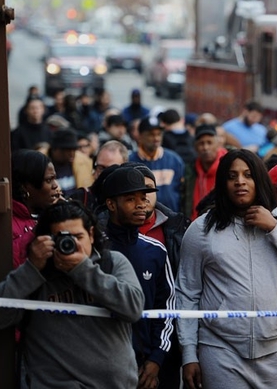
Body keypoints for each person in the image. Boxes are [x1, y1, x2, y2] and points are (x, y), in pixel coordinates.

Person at [176, 149, 277, 389]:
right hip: (220, 349)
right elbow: (187, 293)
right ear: (222, 183)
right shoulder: (201, 230)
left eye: (248, 175)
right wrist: (189, 353)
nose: (240, 181)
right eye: (232, 176)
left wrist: (274, 228)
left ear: (259, 179)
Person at [0, 201, 145, 388]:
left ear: (91, 235)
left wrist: (83, 270)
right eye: (61, 238)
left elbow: (133, 308)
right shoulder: (34, 276)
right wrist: (31, 269)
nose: (71, 244)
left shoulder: (111, 263)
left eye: (78, 237)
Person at [102, 166, 176, 389]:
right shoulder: (93, 251)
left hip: (145, 368)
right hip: (101, 367)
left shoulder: (156, 250)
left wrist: (156, 359)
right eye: (130, 199)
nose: (140, 204)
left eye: (143, 198)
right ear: (111, 204)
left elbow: (167, 307)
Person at [126, 163, 190, 389]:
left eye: (148, 191)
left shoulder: (176, 228)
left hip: (166, 344)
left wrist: (158, 357)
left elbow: (176, 293)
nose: (143, 199)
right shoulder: (101, 232)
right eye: (134, 193)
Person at [11, 150, 61, 268]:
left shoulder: (53, 211)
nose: (55, 186)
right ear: (26, 187)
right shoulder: (7, 223)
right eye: (49, 180)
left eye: (55, 179)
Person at [130, 116, 185, 212]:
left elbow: (183, 191)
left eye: (159, 134)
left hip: (172, 219)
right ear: (140, 136)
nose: (156, 138)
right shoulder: (131, 162)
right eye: (151, 134)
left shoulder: (174, 160)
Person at [69, 140, 129, 212]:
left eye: (111, 169)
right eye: (101, 168)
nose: (104, 173)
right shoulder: (81, 198)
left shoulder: (131, 200)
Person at [182, 124, 227, 220]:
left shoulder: (229, 166)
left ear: (218, 144)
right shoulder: (190, 170)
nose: (206, 148)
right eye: (201, 143)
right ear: (195, 147)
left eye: (209, 143)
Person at [39, 128, 94, 197]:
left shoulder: (84, 162)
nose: (72, 153)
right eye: (67, 150)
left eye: (74, 149)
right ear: (54, 149)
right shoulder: (39, 164)